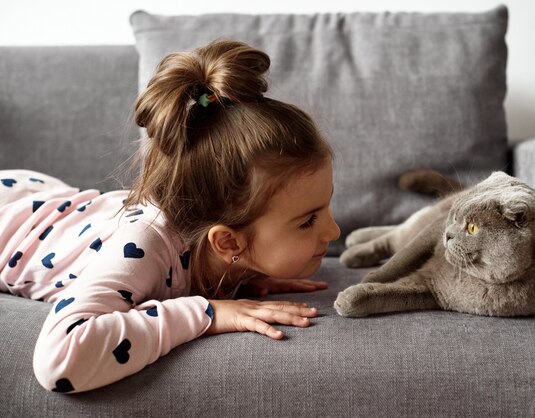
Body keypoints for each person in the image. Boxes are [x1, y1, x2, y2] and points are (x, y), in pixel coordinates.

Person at [0, 40, 341, 393]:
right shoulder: (143, 245)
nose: (334, 230)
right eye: (307, 221)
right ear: (227, 241)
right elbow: (61, 361)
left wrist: (245, 274)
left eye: (326, 207)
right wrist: (206, 313)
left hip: (44, 198)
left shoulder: (219, 243)